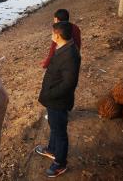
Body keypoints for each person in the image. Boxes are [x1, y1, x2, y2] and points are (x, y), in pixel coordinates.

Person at [35, 21, 81, 178]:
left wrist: (50, 94)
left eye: (52, 33)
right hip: (53, 99)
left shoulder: (70, 55)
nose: (51, 35)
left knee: (60, 131)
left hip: (58, 101)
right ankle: (52, 149)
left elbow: (69, 84)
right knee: (54, 126)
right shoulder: (63, 47)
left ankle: (60, 163)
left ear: (58, 35)